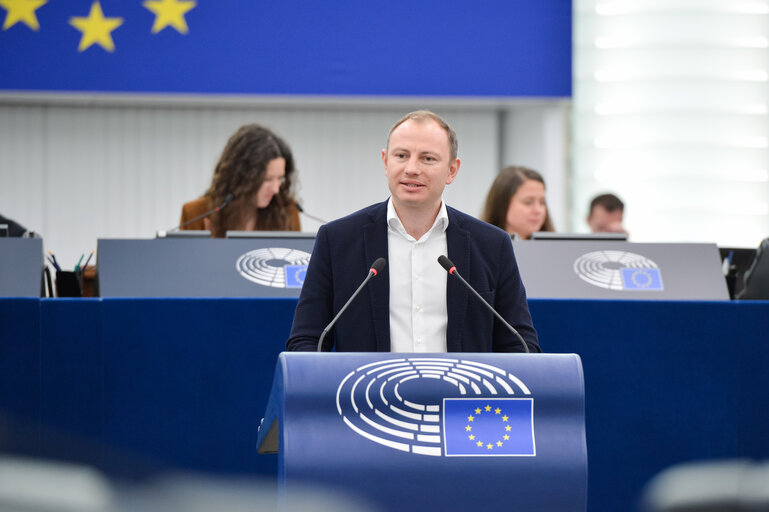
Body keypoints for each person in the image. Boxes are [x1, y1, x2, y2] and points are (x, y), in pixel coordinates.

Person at [286, 111, 539, 353]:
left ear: (452, 170)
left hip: (458, 397)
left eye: (428, 158)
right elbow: (306, 341)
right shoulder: (337, 241)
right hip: (367, 396)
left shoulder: (492, 245)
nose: (411, 168)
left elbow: (521, 345)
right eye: (401, 156)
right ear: (385, 162)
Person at [179, 124, 301, 237]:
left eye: (280, 178)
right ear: (241, 176)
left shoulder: (288, 211)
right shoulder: (196, 214)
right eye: (267, 179)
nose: (275, 189)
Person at [481, 166, 554, 240]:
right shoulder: (478, 248)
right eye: (528, 202)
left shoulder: (558, 249)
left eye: (542, 202)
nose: (538, 210)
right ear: (502, 204)